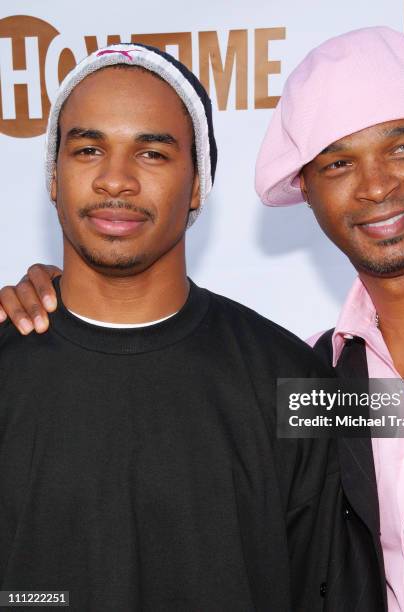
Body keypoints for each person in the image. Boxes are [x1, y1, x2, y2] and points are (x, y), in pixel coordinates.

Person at [6, 26, 404, 612]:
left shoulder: (289, 378)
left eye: (402, 146)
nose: (375, 186)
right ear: (305, 186)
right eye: (335, 164)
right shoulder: (321, 376)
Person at [0, 43, 346, 611]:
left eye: (152, 154)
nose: (116, 180)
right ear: (54, 177)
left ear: (198, 185)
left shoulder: (292, 381)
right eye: (88, 149)